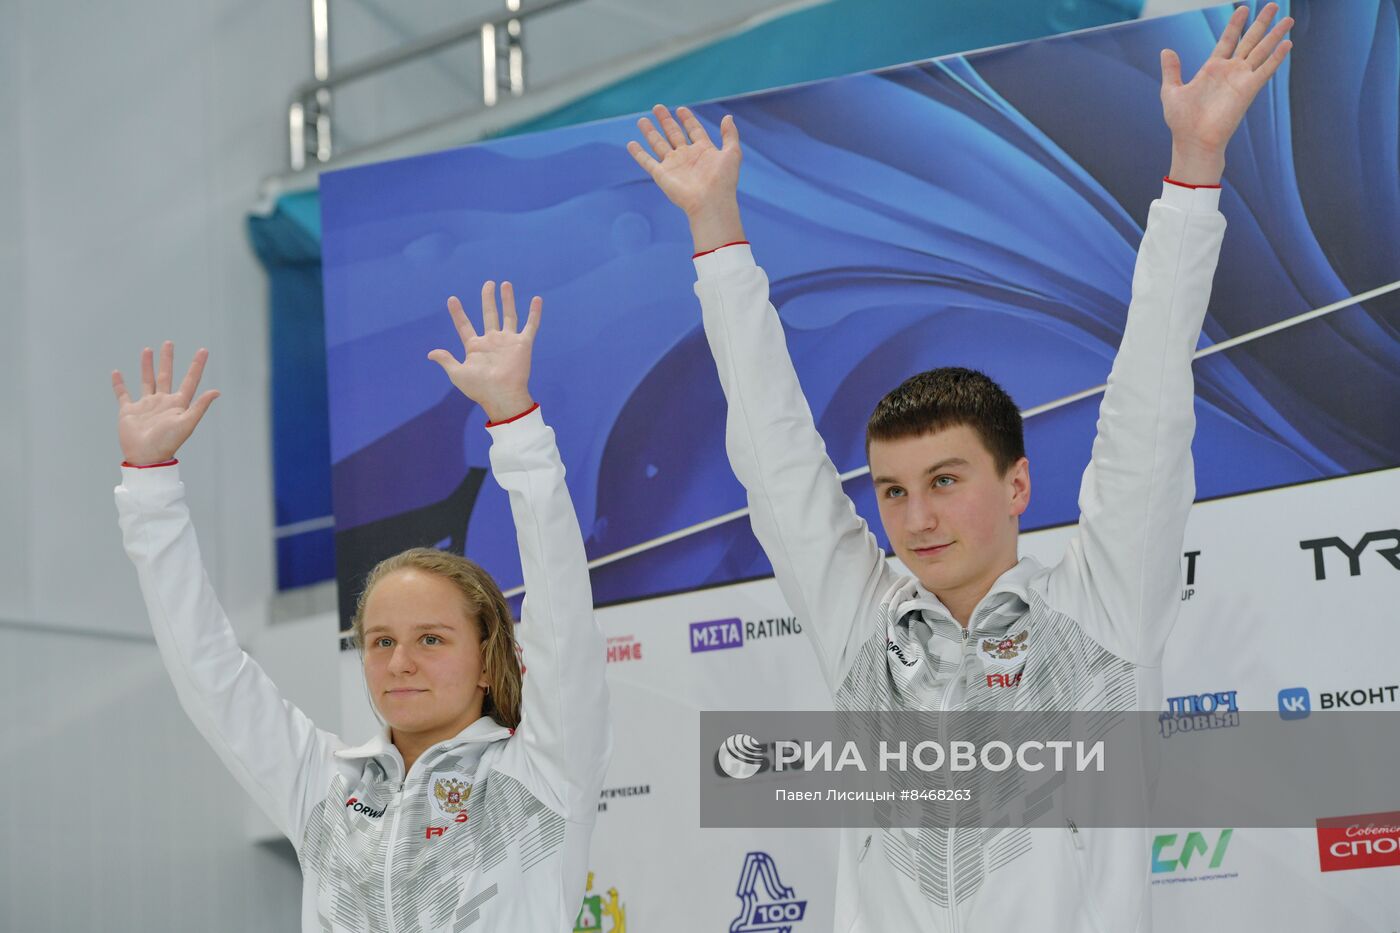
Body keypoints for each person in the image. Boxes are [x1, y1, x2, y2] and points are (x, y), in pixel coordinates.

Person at [628, 4, 1291, 930]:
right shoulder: (864, 631)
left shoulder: (1101, 612)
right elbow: (776, 454)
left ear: (1016, 485)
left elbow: (1148, 401)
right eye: (893, 491)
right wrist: (717, 232)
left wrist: (1194, 174)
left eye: (945, 481)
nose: (916, 517)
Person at [112, 282, 610, 932]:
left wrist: (516, 426)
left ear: (489, 660)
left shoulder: (541, 775)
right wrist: (150, 487)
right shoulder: (325, 784)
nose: (399, 660)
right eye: (380, 640)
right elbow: (210, 672)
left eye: (430, 638)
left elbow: (564, 617)